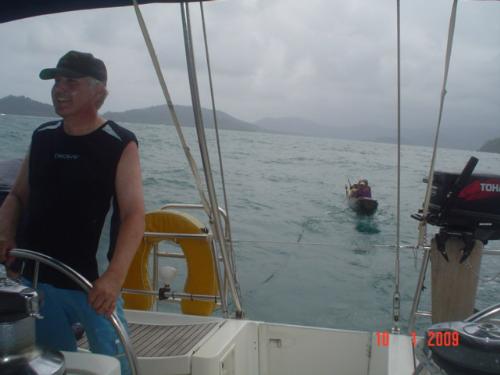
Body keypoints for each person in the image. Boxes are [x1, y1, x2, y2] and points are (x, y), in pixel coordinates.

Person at [0, 50, 145, 374]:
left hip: (92, 285)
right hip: (37, 280)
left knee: (114, 365)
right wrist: (5, 233)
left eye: (70, 82)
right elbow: (18, 196)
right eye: (56, 81)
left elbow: (135, 215)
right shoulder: (43, 136)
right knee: (53, 364)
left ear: (98, 92)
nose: (59, 89)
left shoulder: (119, 143)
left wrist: (114, 278)